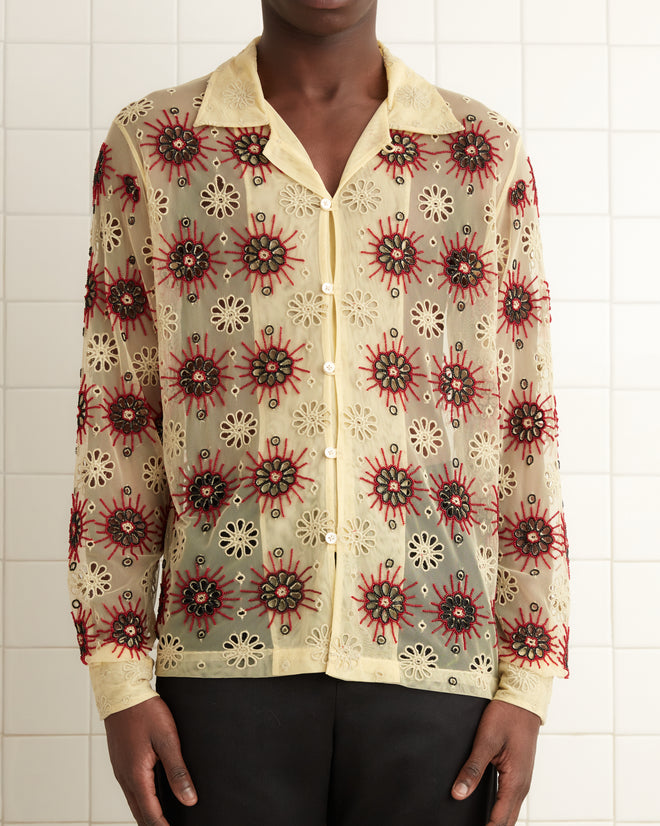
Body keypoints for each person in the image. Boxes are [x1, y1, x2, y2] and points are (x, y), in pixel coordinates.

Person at [67, 1, 570, 824]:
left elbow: (523, 423)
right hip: (219, 681)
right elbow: (119, 420)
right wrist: (118, 678)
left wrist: (529, 680)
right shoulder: (155, 145)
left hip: (438, 680)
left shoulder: (482, 154)